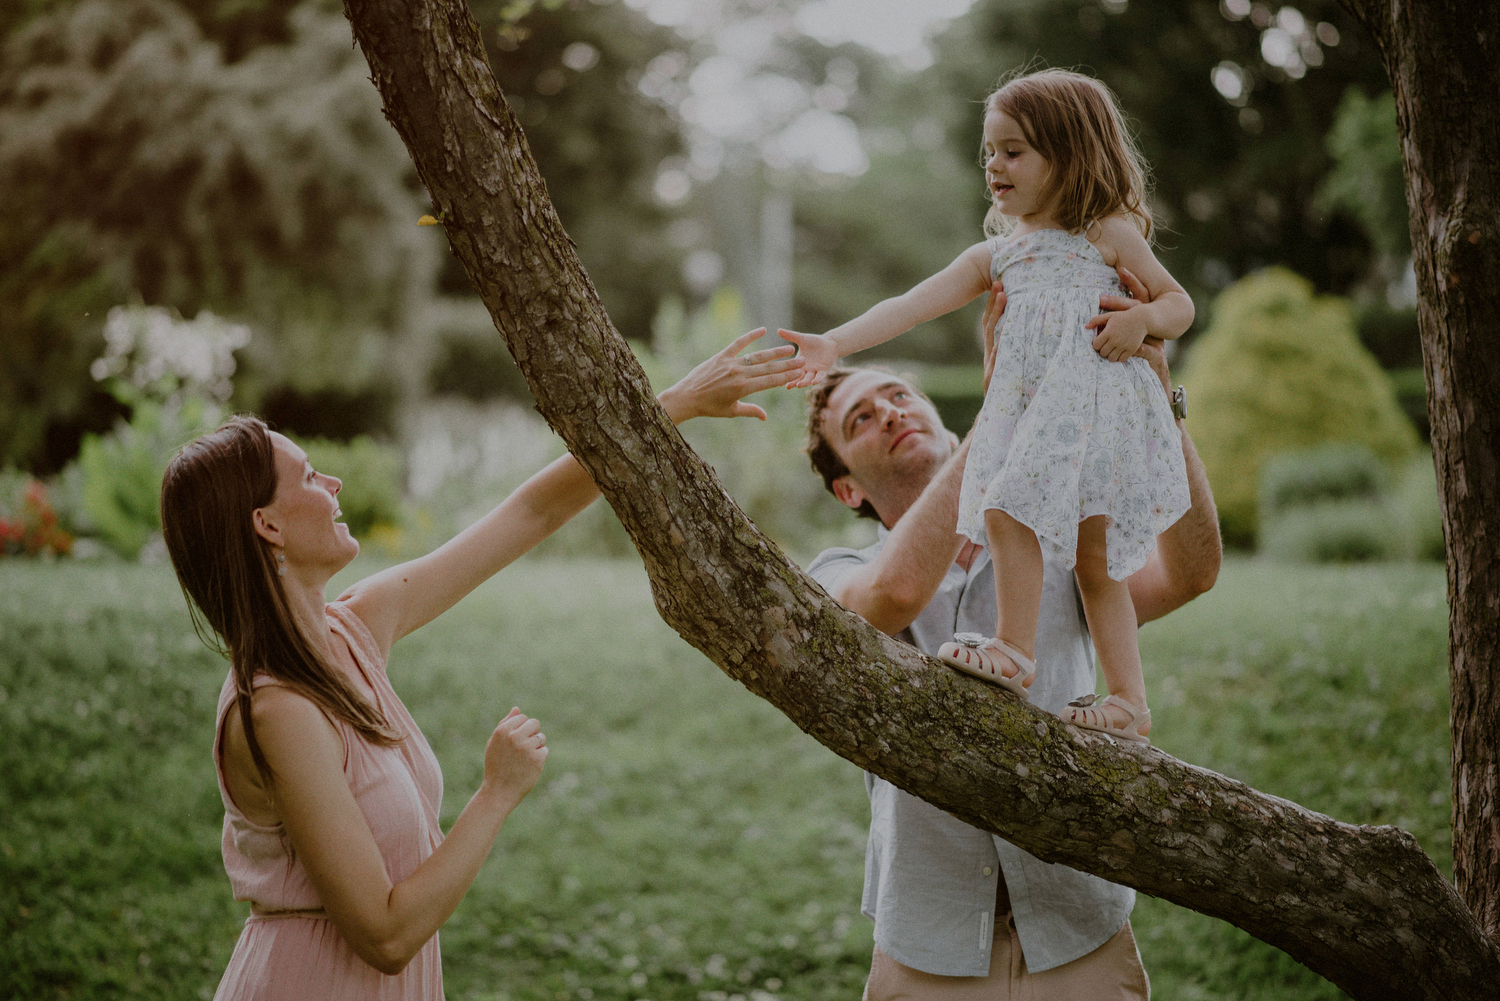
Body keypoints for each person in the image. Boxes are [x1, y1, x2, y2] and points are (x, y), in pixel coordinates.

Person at [159, 330, 803, 1000]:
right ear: (267, 525)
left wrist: (673, 404)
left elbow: (533, 510)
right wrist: (497, 791)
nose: (335, 481)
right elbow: (383, 933)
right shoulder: (278, 709)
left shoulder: (355, 626)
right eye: (310, 476)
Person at [801, 277, 1221, 998]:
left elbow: (1189, 573)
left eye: (899, 394)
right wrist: (1006, 405)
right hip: (928, 945)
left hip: (1077, 924)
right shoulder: (839, 572)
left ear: (941, 419)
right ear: (849, 490)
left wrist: (1158, 387)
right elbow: (893, 596)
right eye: (860, 418)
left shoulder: (1057, 539)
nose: (889, 412)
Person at [783, 69, 1196, 744]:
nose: (993, 167)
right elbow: (910, 306)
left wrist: (1141, 318)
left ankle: (1064, 670)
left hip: (1101, 421)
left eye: (1012, 151)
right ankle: (1078, 677)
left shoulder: (1109, 237)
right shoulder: (999, 256)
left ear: (1068, 156)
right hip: (1051, 427)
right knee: (1045, 532)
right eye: (989, 153)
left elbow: (1179, 304)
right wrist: (834, 341)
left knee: (1058, 537)